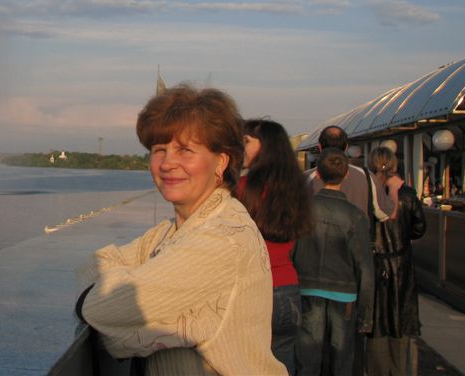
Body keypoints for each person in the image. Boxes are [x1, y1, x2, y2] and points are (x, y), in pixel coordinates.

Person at [76, 85, 286, 375]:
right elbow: (95, 263)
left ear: (221, 162)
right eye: (159, 150)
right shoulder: (173, 231)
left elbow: (99, 308)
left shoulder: (220, 239)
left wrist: (119, 306)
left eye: (185, 150)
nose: (167, 163)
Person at [237, 119, 315, 374]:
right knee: (283, 362)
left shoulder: (245, 189)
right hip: (289, 289)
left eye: (247, 141)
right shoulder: (296, 188)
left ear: (265, 146)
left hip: (254, 290)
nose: (241, 147)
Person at [294, 148, 374, 376]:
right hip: (344, 292)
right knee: (341, 359)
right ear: (346, 175)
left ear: (317, 174)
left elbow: (292, 251)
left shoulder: (303, 210)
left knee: (308, 358)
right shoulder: (355, 215)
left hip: (308, 287)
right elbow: (365, 267)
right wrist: (366, 313)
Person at [366, 147, 427, 376]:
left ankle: (377, 369)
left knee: (377, 321)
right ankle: (399, 369)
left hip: (375, 262)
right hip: (401, 264)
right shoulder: (407, 194)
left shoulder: (368, 192)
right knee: (400, 321)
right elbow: (419, 227)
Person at [306, 126, 396, 225]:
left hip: (317, 234)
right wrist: (393, 188)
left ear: (319, 147)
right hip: (359, 233)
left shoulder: (306, 178)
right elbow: (385, 213)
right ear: (346, 147)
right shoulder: (366, 176)